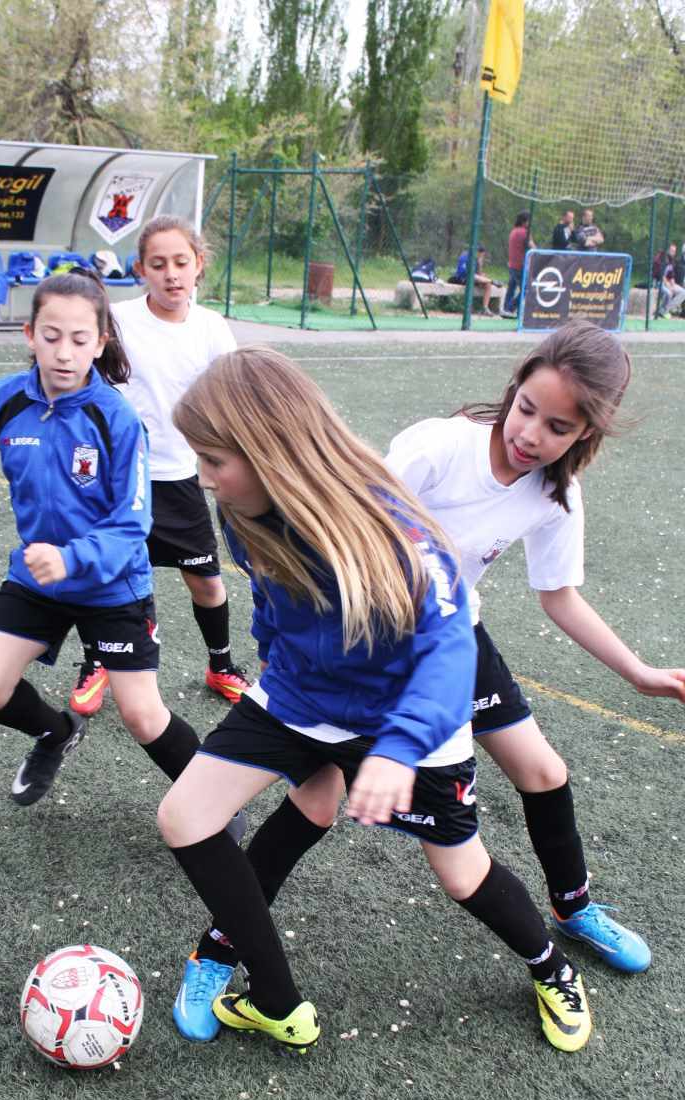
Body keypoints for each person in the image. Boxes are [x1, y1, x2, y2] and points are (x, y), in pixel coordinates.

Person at [159, 346, 595, 1056]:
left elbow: (450, 648)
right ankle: (268, 995)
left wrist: (396, 749)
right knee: (187, 815)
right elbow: (271, 593)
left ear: (268, 451)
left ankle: (551, 966)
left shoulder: (386, 527)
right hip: (302, 695)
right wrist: (269, 643)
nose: (202, 478)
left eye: (213, 461)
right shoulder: (241, 507)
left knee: (461, 873)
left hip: (408, 717)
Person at [385, 319, 685, 977]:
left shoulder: (555, 495)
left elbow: (560, 596)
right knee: (319, 798)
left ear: (585, 435)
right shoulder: (437, 447)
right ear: (515, 385)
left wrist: (637, 673)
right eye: (527, 408)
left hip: (455, 637)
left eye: (558, 427)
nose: (530, 434)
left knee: (545, 772)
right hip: (377, 641)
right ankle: (227, 942)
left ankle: (573, 909)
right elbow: (350, 531)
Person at [0, 271, 205, 809]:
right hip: (38, 578)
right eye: (51, 337)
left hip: (111, 585)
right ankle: (55, 732)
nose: (64, 353)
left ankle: (211, 801)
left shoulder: (115, 417)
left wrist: (73, 559)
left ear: (100, 342)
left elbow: (131, 524)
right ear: (30, 335)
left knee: (142, 715)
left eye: (79, 340)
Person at [69, 215, 249, 718]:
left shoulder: (212, 328)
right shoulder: (119, 321)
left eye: (180, 262)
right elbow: (85, 379)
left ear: (199, 266)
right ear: (141, 270)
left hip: (179, 478)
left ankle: (221, 664)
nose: (171, 274)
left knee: (208, 582)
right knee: (105, 578)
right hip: (121, 480)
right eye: (158, 264)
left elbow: (233, 397)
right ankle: (97, 661)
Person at [502, 211, 534, 317]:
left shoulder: (514, 231)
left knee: (511, 287)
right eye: (529, 221)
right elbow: (533, 247)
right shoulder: (524, 232)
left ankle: (506, 308)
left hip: (512, 264)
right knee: (527, 289)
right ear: (525, 221)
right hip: (520, 265)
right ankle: (511, 307)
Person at [453, 245, 498, 315]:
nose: (481, 256)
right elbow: (465, 273)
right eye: (481, 255)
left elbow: (478, 273)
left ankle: (485, 308)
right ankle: (468, 306)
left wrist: (480, 264)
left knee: (487, 285)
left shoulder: (476, 260)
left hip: (474, 278)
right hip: (462, 278)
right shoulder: (464, 257)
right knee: (474, 279)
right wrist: (480, 278)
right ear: (476, 252)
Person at [655, 243, 685, 318]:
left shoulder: (672, 261)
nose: (673, 252)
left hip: (667, 283)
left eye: (674, 251)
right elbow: (660, 275)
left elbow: (671, 276)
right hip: (658, 282)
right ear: (667, 250)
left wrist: (672, 284)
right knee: (668, 293)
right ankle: (662, 310)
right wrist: (668, 286)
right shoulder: (661, 258)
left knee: (682, 292)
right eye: (671, 250)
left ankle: (665, 309)